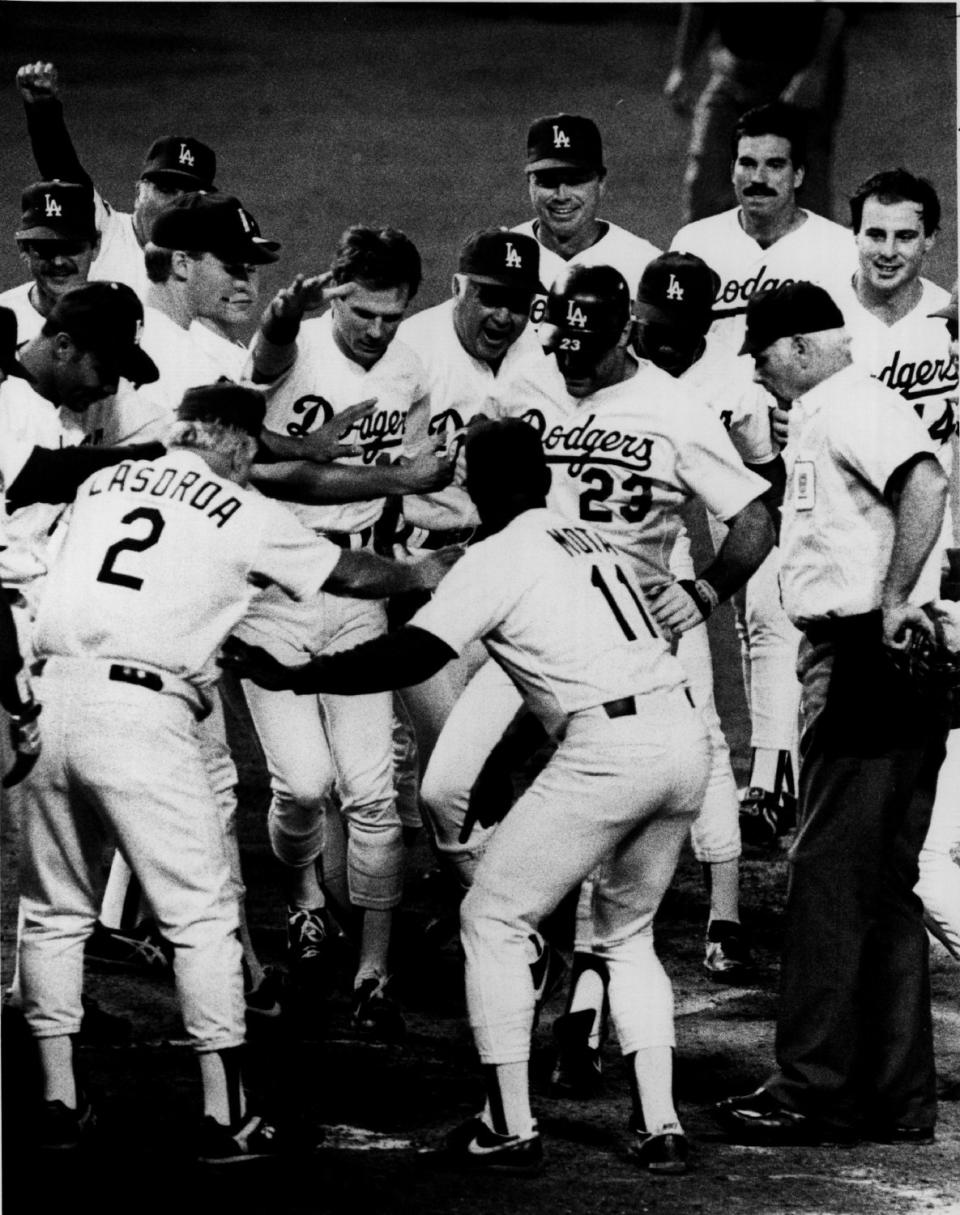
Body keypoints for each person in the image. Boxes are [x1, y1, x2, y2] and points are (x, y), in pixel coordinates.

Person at [222, 418, 713, 1175]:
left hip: (610, 746)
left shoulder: (496, 554)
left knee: (491, 915)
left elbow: (414, 651)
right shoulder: (590, 540)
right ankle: (661, 1125)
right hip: (683, 742)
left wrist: (299, 676)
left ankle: (508, 1127)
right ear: (544, 480)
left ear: (475, 487)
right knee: (627, 934)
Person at [16, 381, 460, 1159]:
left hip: (49, 700)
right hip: (141, 713)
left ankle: (58, 1098)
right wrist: (427, 572)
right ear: (237, 442)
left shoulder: (98, 481)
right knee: (203, 915)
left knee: (53, 911)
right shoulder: (240, 506)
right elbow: (350, 574)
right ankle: (227, 1116)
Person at [423, 265, 773, 1095]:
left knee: (612, 827)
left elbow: (755, 514)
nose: (569, 368)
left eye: (587, 355)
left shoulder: (674, 407)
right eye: (561, 352)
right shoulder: (530, 373)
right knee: (441, 791)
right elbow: (482, 448)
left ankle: (577, 1006)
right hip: (530, 628)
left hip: (625, 642)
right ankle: (530, 922)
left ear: (626, 337)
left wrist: (707, 589)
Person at [715, 282, 950, 1145]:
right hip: (883, 658)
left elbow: (925, 483)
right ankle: (895, 1097)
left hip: (863, 656)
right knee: (884, 885)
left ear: (805, 348)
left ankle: (810, 1088)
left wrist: (891, 601)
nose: (760, 370)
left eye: (766, 354)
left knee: (826, 876)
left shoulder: (850, 403)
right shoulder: (830, 411)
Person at [237, 225, 455, 1034]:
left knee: (370, 790)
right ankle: (301, 899)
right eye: (363, 311)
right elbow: (264, 429)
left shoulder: (408, 367)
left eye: (392, 315)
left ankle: (374, 968)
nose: (377, 329)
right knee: (301, 784)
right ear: (333, 292)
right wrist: (279, 325)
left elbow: (416, 466)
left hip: (360, 581)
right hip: (275, 586)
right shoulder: (294, 347)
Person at [770, 173, 960, 957]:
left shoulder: (949, 320)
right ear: (855, 235)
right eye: (874, 233)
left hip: (935, 581)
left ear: (929, 241)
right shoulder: (823, 331)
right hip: (860, 604)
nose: (888, 250)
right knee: (897, 842)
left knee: (908, 837)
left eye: (905, 235)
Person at [634, 251, 797, 843]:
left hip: (683, 539)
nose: (666, 346)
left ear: (708, 325)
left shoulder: (734, 380)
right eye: (655, 329)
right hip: (622, 541)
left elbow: (764, 480)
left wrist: (725, 578)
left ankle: (723, 895)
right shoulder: (614, 362)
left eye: (682, 333)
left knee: (704, 703)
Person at [391, 226, 544, 765]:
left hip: (496, 573)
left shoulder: (540, 358)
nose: (504, 317)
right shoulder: (409, 351)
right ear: (459, 287)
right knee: (438, 760)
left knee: (492, 751)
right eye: (490, 298)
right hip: (418, 569)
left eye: (519, 303)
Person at [17, 61, 218, 298]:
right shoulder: (106, 230)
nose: (175, 204)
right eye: (165, 189)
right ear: (138, 192)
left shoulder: (208, 269)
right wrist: (43, 110)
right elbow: (62, 171)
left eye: (189, 196)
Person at [669, 102, 857, 355]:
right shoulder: (694, 243)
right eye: (747, 164)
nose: (758, 178)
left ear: (798, 175)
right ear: (732, 172)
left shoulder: (839, 248)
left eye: (775, 165)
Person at [664, 4, 845, 224]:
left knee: (807, 204)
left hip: (797, 78)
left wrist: (817, 70)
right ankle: (698, 256)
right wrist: (681, 68)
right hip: (735, 75)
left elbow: (837, 8)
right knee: (705, 183)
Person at [513, 113, 660, 303]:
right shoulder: (499, 258)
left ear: (601, 183)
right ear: (530, 183)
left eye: (576, 181)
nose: (562, 195)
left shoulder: (643, 265)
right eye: (548, 182)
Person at [0, 179, 100, 340]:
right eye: (46, 249)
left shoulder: (134, 324)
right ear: (24, 248)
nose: (58, 261)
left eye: (71, 247)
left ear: (96, 246)